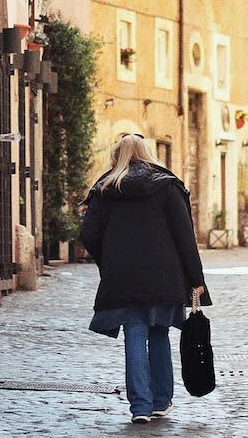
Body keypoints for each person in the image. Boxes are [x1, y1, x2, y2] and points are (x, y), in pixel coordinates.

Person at [80, 134, 211, 424]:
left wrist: (110, 259)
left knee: (134, 337)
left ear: (117, 155)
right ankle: (161, 402)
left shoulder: (105, 188)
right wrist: (195, 279)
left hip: (123, 278)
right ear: (148, 153)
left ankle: (139, 407)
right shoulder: (166, 186)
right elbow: (184, 237)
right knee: (159, 333)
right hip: (164, 277)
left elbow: (88, 234)